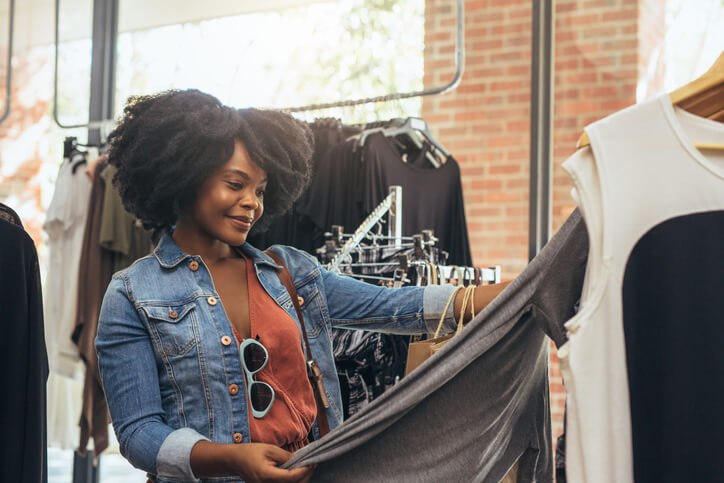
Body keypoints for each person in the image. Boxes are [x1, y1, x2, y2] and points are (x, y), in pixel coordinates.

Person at [96, 89, 509, 483]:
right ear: (183, 179)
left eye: (260, 190)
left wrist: (519, 290)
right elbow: (137, 431)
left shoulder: (291, 271)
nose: (252, 203)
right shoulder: (132, 294)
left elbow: (394, 306)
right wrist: (231, 459)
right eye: (235, 184)